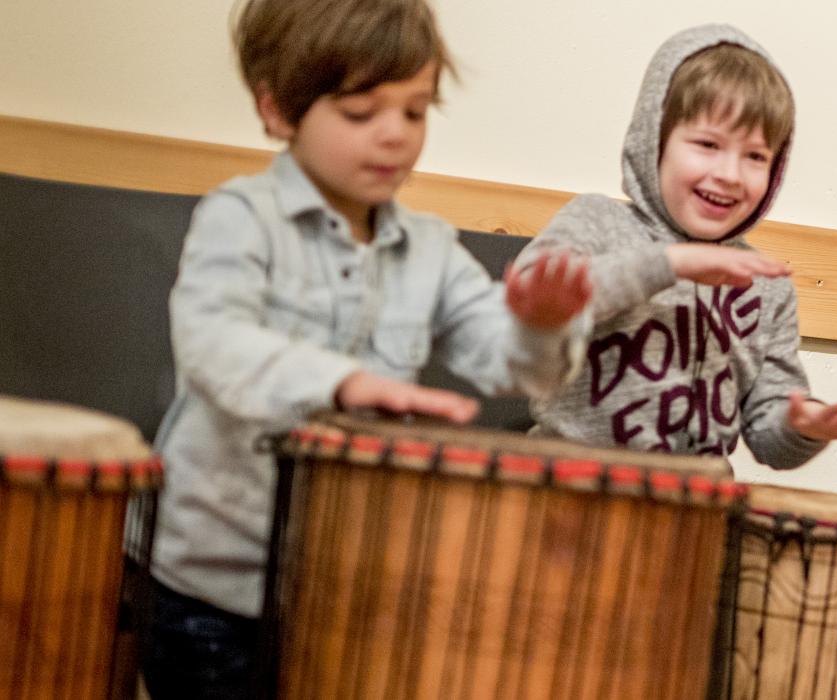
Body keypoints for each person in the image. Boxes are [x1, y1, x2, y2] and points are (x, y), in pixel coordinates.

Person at [144, 1, 590, 696]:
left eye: (414, 113)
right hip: (210, 589)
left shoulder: (431, 250)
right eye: (361, 113)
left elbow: (508, 364)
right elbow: (212, 343)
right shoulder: (240, 218)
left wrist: (542, 326)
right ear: (277, 111)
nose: (394, 137)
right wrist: (343, 383)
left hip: (345, 584)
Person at [520, 24, 837, 465]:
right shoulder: (597, 221)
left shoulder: (765, 285)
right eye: (708, 145)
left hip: (693, 512)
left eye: (754, 156)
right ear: (654, 142)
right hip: (566, 494)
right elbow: (531, 304)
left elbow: (768, 433)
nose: (730, 174)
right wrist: (669, 264)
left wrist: (802, 426)